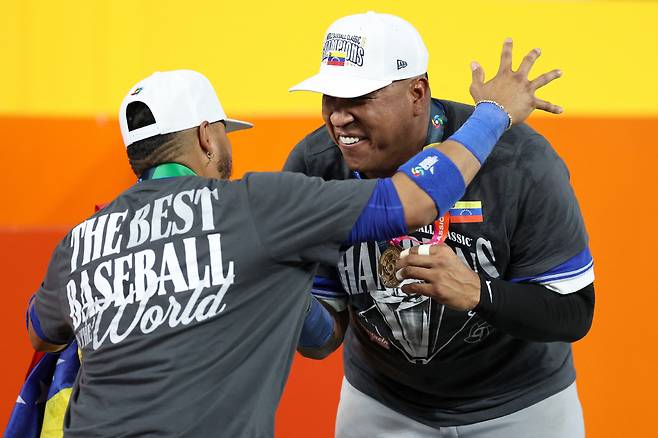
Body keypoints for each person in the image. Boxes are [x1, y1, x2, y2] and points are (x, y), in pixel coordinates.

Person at [24, 56, 557, 437]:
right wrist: (496, 114)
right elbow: (420, 198)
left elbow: (40, 330)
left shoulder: (82, 241)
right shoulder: (256, 206)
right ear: (208, 137)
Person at [286, 11, 594, 438]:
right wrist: (284, 297)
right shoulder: (315, 164)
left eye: (358, 98)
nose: (338, 118)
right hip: (383, 402)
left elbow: (573, 314)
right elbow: (322, 340)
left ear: (417, 93)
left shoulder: (519, 161)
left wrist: (477, 292)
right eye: (330, 99)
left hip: (520, 405)